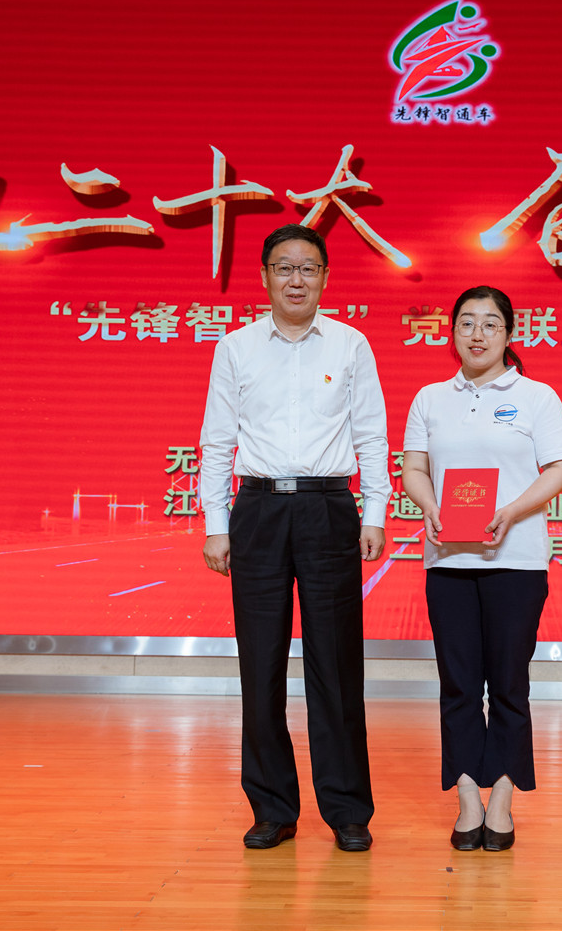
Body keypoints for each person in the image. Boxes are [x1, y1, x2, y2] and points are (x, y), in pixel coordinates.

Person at [198, 224, 390, 852]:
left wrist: (375, 512)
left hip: (328, 507)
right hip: (257, 508)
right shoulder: (236, 348)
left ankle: (347, 810)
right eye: (284, 267)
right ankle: (272, 808)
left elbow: (371, 435)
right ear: (264, 277)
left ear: (326, 278)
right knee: (260, 664)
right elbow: (217, 441)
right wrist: (216, 524)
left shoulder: (351, 345)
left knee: (336, 664)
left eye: (308, 268)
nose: (296, 279)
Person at [401, 286, 562, 852]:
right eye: (467, 323)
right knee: (457, 684)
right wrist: (430, 505)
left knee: (507, 684)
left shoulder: (536, 397)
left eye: (490, 324)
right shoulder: (430, 398)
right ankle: (467, 797)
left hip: (515, 562)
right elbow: (414, 468)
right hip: (448, 560)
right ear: (451, 331)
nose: (477, 335)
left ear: (509, 333)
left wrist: (512, 511)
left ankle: (502, 794)